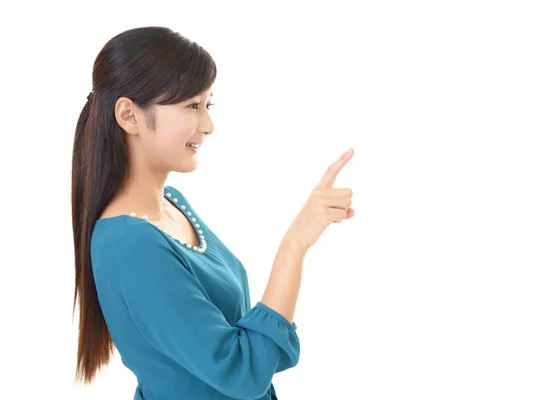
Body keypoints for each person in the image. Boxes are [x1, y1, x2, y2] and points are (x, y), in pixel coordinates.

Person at [71, 26, 355, 400]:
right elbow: (242, 371)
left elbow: (248, 349)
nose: (208, 125)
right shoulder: (130, 244)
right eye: (191, 105)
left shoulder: (172, 204)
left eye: (208, 105)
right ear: (129, 116)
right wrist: (295, 243)